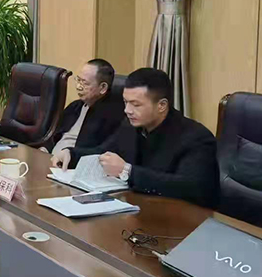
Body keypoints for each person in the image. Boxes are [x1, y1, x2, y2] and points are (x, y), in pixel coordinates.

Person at [50, 68, 218, 208]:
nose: (127, 110)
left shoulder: (196, 138)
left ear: (162, 105)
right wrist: (72, 154)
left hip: (179, 222)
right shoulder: (131, 125)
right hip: (136, 211)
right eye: (125, 102)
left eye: (136, 104)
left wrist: (127, 171)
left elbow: (192, 188)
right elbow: (103, 151)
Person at [43, 59, 125, 155]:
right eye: (78, 80)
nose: (78, 87)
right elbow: (55, 135)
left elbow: (101, 151)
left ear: (103, 87)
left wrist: (71, 155)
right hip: (51, 158)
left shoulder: (113, 115)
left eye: (85, 83)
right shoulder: (75, 106)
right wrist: (46, 149)